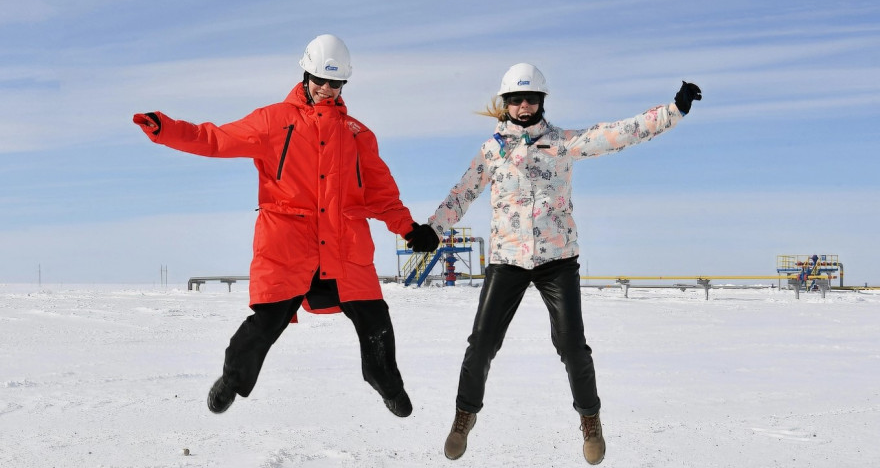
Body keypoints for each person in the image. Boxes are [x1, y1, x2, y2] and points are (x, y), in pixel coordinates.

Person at [133, 34, 437, 418]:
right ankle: (233, 379)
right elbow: (214, 139)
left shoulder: (359, 134)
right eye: (321, 80)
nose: (327, 90)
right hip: (289, 246)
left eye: (336, 83)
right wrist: (166, 129)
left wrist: (408, 228)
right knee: (266, 323)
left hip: (345, 246)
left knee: (375, 317)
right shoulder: (273, 121)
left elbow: (381, 195)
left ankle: (387, 384)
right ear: (306, 73)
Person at [414, 63, 701, 464]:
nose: (524, 105)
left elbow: (616, 134)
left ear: (542, 101)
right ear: (506, 103)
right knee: (481, 344)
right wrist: (434, 230)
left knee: (572, 346)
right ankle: (464, 416)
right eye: (516, 99)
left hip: (557, 260)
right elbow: (462, 194)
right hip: (508, 260)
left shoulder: (563, 143)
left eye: (531, 98)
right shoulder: (491, 151)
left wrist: (673, 111)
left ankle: (590, 420)